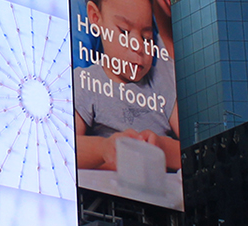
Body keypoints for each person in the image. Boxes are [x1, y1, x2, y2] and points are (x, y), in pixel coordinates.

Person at [72, 0, 179, 173]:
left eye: (147, 38)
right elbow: (67, 147)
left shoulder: (160, 80)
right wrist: (104, 150)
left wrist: (162, 149)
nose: (138, 47)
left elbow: (191, 150)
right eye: (124, 32)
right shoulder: (86, 81)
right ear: (95, 17)